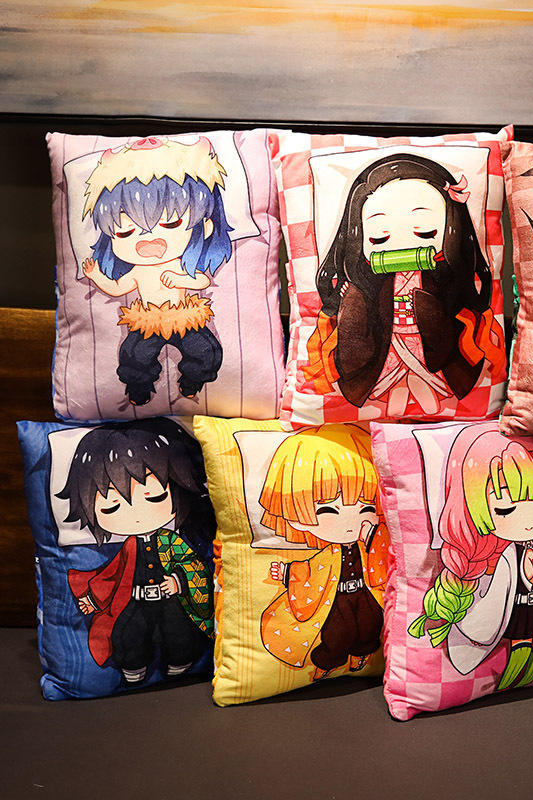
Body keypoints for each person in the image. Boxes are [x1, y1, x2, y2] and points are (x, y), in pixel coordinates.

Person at [304, 152, 504, 416]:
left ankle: (418, 382)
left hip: (426, 340)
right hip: (392, 336)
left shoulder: (441, 275)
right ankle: (400, 385)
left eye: (426, 232)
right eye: (378, 238)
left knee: (426, 363)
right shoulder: (370, 282)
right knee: (390, 362)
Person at [409, 424, 533, 691]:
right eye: (505, 509)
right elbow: (496, 593)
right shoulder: (502, 557)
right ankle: (512, 678)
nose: (530, 522)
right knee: (521, 643)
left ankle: (530, 674)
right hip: (516, 609)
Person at [58, 419, 214, 684]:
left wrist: (178, 581)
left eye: (155, 497)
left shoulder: (172, 540)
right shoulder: (128, 547)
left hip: (170, 600)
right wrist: (93, 601)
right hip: (136, 600)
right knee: (128, 634)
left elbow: (192, 563)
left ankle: (180, 665)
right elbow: (111, 575)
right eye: (111, 507)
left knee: (179, 631)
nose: (137, 514)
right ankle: (133, 671)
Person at [81, 135, 233, 405]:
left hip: (184, 318)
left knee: (205, 351)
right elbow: (117, 288)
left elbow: (201, 281)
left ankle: (192, 382)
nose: (149, 241)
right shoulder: (138, 271)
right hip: (147, 321)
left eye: (171, 224)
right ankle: (139, 389)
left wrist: (180, 279)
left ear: (205, 225)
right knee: (134, 356)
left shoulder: (179, 263)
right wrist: (95, 276)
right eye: (125, 232)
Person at [259, 425, 389, 679]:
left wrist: (373, 538)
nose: (350, 524)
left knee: (369, 626)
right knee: (335, 632)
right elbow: (309, 570)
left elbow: (382, 562)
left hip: (366, 594)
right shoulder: (327, 554)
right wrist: (287, 572)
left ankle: (363, 655)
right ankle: (328, 663)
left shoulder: (371, 542)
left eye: (366, 507)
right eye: (327, 510)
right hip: (336, 598)